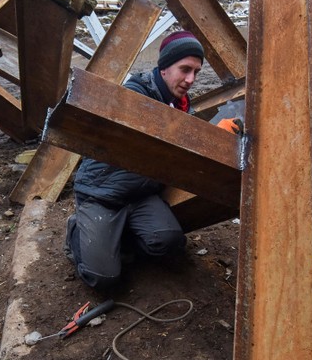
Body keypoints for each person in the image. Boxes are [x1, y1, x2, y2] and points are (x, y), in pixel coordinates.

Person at [65, 30, 239, 292]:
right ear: (165, 67)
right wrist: (209, 136)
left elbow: (180, 143)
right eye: (185, 69)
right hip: (102, 193)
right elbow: (164, 136)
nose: (190, 79)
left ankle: (114, 237)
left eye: (196, 72)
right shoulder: (135, 95)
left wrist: (217, 137)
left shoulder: (178, 105)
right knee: (104, 279)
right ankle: (77, 231)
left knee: (169, 243)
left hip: (140, 193)